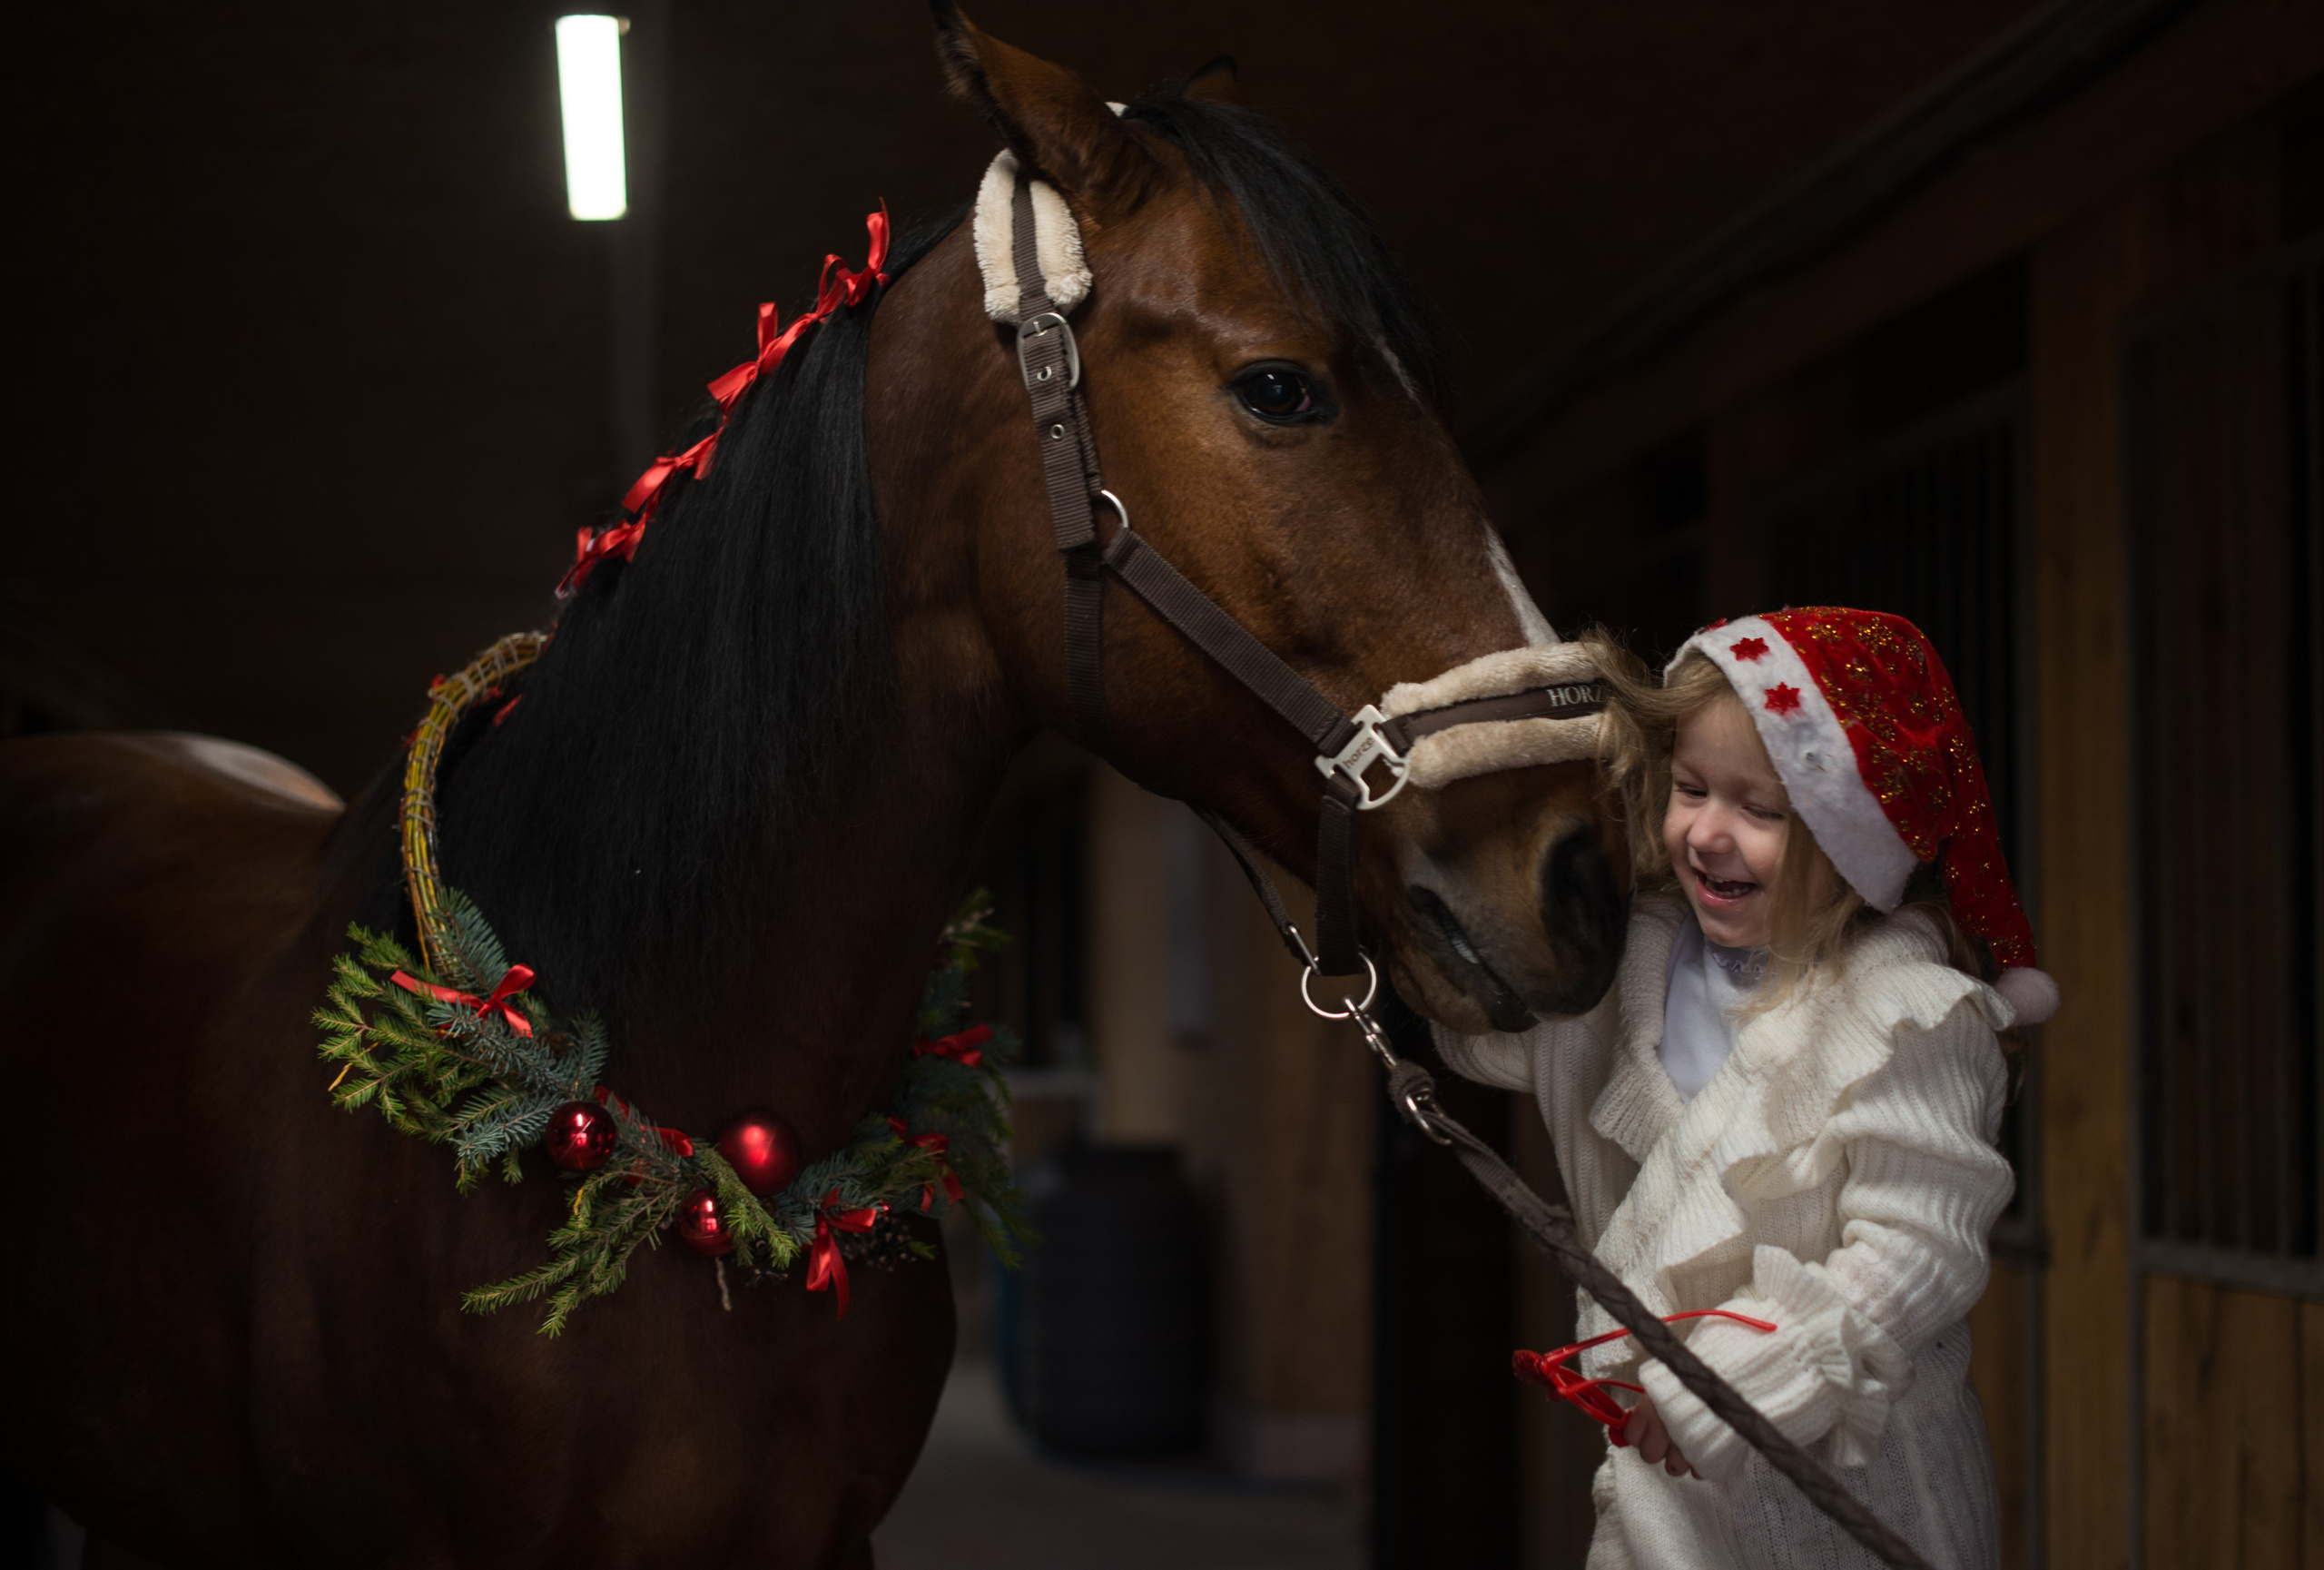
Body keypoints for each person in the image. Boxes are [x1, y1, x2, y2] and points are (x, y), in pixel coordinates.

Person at [1439, 607, 2058, 1570]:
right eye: (1689, 789)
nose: (1706, 833)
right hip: (1663, 1519)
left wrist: (1737, 1380)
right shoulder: (1634, 966)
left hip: (1857, 1509)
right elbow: (1491, 1035)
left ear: (1854, 841)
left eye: (1760, 810)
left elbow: (1917, 1251)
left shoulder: (1910, 1016)